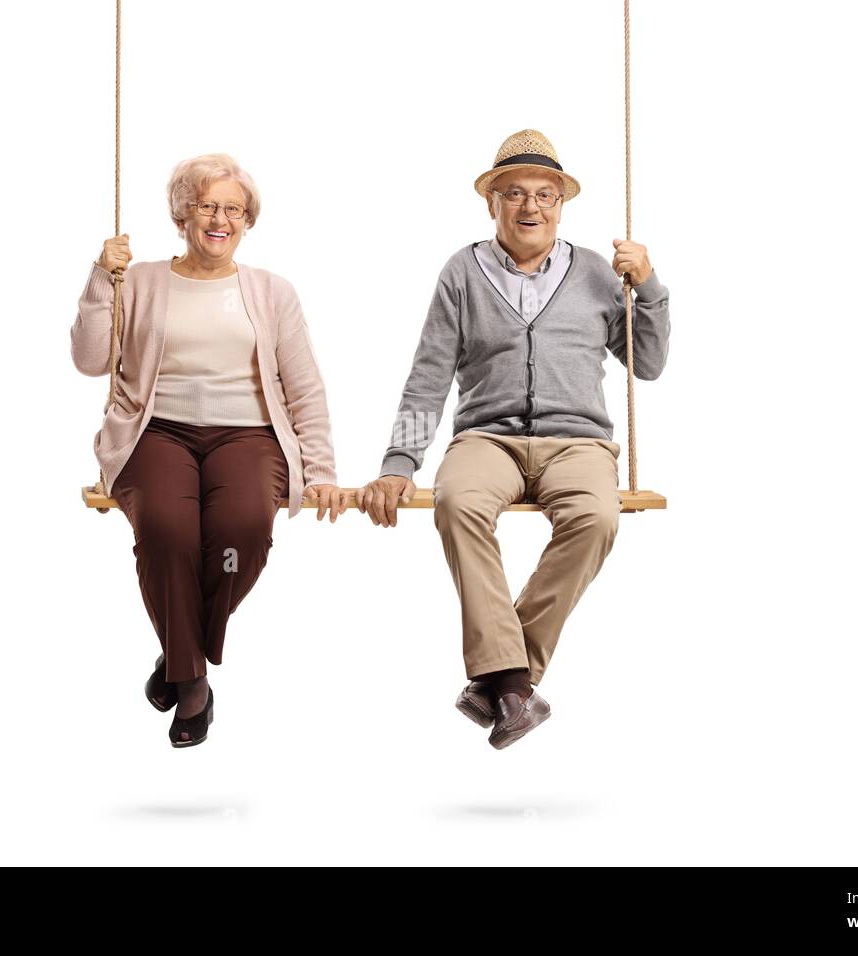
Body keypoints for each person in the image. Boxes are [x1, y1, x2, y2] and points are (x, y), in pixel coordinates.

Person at [357, 130, 671, 749]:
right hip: (487, 438)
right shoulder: (462, 272)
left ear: (561, 204)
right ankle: (513, 682)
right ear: (492, 203)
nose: (531, 207)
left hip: (578, 441)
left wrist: (651, 286)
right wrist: (399, 463)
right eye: (515, 194)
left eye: (546, 195)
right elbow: (429, 377)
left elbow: (649, 362)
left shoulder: (600, 275)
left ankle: (503, 677)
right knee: (457, 503)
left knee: (598, 516)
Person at [71, 153, 347, 748]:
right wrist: (100, 277)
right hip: (156, 433)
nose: (220, 219)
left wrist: (320, 467)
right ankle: (192, 678)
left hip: (248, 435)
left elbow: (303, 386)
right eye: (207, 206)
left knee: (237, 533)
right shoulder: (138, 279)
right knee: (169, 531)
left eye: (233, 209)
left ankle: (179, 647)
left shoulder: (272, 292)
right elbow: (91, 360)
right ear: (182, 214)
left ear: (247, 220)